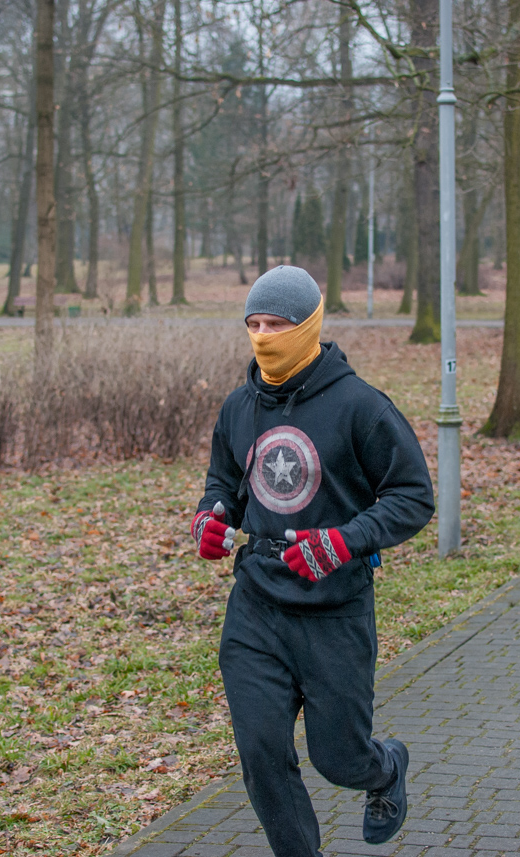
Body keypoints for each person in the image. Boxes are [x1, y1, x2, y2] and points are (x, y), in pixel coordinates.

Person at [190, 265, 435, 856]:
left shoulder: (360, 406)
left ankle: (384, 769)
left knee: (338, 758)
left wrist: (345, 541)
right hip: (256, 607)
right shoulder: (239, 407)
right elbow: (224, 481)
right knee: (261, 755)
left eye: (276, 324)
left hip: (334, 612)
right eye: (253, 324)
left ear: (308, 326)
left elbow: (413, 496)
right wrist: (210, 517)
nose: (263, 336)